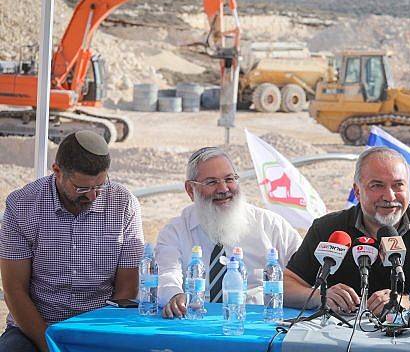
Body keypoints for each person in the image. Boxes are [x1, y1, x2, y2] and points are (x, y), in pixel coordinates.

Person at [0, 131, 144, 352]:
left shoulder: (124, 204)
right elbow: (14, 290)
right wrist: (49, 344)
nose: (93, 196)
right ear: (57, 171)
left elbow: (127, 288)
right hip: (34, 326)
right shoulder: (22, 205)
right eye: (82, 188)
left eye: (100, 185)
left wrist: (93, 338)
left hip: (100, 326)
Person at [284, 147, 410, 316]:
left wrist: (408, 302)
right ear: (357, 191)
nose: (389, 196)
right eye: (377, 185)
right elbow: (285, 285)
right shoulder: (327, 228)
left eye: (398, 185)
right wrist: (319, 296)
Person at [157, 146, 302, 318]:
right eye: (211, 182)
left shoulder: (271, 225)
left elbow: (302, 276)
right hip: (195, 321)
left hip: (259, 326)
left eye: (229, 179)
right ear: (190, 190)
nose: (223, 189)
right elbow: (166, 273)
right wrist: (174, 295)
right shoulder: (175, 231)